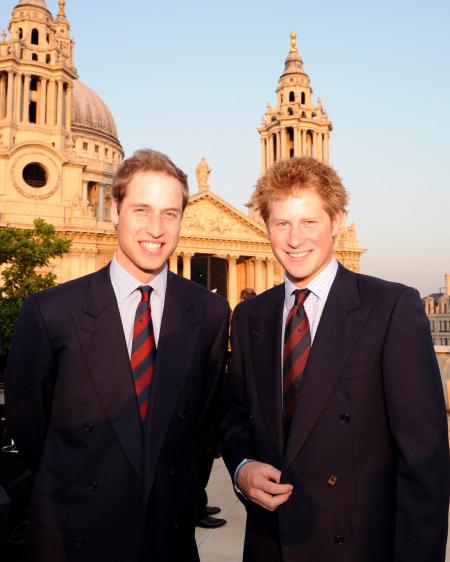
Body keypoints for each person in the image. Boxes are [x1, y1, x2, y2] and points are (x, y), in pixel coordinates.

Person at [5, 149, 230, 562]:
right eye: (141, 209)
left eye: (170, 213)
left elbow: (203, 430)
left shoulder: (210, 314)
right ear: (114, 210)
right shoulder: (50, 311)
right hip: (73, 534)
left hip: (167, 536)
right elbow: (29, 425)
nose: (156, 229)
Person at [221, 157, 449, 562]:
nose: (294, 239)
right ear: (265, 226)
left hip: (356, 546)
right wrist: (240, 467)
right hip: (269, 545)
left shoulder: (391, 307)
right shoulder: (250, 318)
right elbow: (235, 413)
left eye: (309, 222)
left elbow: (425, 460)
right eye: (281, 223)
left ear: (337, 221)